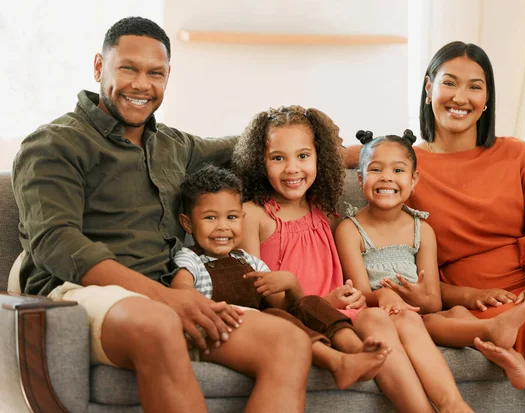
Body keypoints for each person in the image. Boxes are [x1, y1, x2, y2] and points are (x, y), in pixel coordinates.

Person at [12, 16, 314, 413]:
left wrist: (348, 153)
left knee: (288, 342)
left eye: (155, 73)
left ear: (168, 77)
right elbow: (54, 241)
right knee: (159, 323)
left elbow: (246, 146)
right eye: (128, 68)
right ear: (100, 67)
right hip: (80, 294)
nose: (142, 84)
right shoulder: (54, 144)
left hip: (167, 295)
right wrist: (168, 299)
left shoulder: (173, 145)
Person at [234, 105, 474, 413]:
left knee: (378, 317)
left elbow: (367, 248)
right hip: (301, 318)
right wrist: (327, 302)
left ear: (320, 158)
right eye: (278, 158)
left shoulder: (325, 213)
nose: (292, 168)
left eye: (304, 156)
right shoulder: (253, 215)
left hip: (347, 315)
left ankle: (436, 407)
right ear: (259, 161)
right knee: (372, 317)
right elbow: (257, 297)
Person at [407, 40, 525, 412]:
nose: (460, 97)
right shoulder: (405, 167)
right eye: (450, 83)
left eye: (475, 86)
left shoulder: (519, 155)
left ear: (487, 98)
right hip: (479, 298)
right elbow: (351, 157)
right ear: (430, 87)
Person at [335, 129, 525, 390]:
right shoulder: (349, 230)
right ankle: (492, 329)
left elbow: (433, 301)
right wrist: (385, 297)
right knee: (433, 322)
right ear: (360, 178)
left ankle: (508, 354)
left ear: (414, 180)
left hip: (417, 310)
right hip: (381, 318)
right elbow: (359, 295)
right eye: (376, 170)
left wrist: (415, 298)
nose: (387, 178)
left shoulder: (422, 230)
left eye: (398, 171)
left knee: (457, 312)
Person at [172, 164, 390, 389]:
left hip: (260, 323)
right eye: (210, 218)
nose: (223, 227)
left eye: (231, 217)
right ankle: (337, 362)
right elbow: (181, 292)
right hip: (222, 327)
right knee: (278, 317)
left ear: (242, 217)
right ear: (187, 223)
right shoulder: (191, 259)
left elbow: (287, 306)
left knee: (308, 303)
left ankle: (357, 350)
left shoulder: (248, 260)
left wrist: (292, 285)